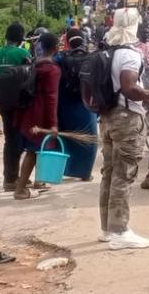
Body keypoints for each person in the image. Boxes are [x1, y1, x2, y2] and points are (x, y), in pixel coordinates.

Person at [98, 8, 149, 249]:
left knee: (109, 172)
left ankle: (106, 228)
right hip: (127, 118)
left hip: (107, 116)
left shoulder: (107, 51)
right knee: (123, 174)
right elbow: (129, 86)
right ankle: (120, 231)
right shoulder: (130, 55)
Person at [0, 23, 31, 192]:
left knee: (10, 138)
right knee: (20, 138)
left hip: (2, 100)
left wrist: (0, 82)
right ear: (21, 38)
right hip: (19, 102)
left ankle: (10, 178)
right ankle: (14, 178)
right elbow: (31, 72)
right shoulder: (22, 53)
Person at [14, 33, 61, 200]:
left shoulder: (36, 64)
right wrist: (53, 124)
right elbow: (51, 98)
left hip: (29, 112)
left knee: (37, 149)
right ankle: (20, 189)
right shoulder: (52, 70)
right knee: (34, 151)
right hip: (41, 116)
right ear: (56, 48)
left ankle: (38, 181)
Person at [56, 28, 97, 182]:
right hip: (86, 105)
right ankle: (85, 173)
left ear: (67, 41)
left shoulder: (59, 58)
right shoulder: (91, 58)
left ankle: (61, 170)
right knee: (88, 139)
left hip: (64, 103)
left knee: (63, 137)